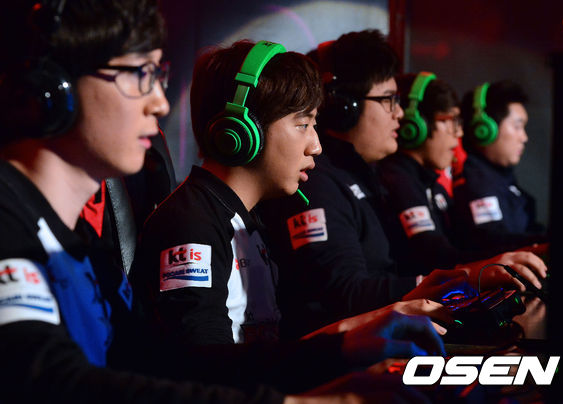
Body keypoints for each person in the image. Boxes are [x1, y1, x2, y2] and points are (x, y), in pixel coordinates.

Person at [0, 2, 435, 402]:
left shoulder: (84, 244)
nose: (159, 102)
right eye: (139, 75)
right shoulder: (9, 223)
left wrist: (344, 348)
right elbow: (50, 380)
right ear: (51, 89)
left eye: (157, 77)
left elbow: (173, 368)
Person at [129, 38, 449, 396]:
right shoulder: (191, 225)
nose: (316, 145)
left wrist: (375, 325)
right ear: (242, 130)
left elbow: (270, 354)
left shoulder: (247, 221)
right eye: (303, 124)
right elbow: (204, 368)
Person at [257, 30, 547, 339]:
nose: (399, 113)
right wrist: (453, 281)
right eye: (388, 100)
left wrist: (467, 278)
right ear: (345, 107)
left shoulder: (364, 176)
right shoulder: (316, 182)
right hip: (342, 356)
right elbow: (344, 293)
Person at [378, 73, 523, 275]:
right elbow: (436, 256)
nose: (459, 132)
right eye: (451, 120)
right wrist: (499, 263)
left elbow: (468, 244)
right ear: (416, 124)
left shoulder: (432, 185)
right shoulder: (398, 180)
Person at [454, 80, 549, 252]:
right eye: (517, 126)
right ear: (484, 130)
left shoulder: (501, 176)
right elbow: (494, 242)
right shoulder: (478, 181)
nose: (524, 137)